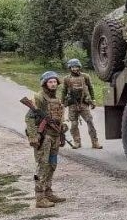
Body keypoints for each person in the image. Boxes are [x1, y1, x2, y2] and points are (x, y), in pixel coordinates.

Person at [24, 70, 68, 208]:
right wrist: (33, 136)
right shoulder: (39, 98)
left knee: (52, 165)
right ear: (45, 83)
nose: (53, 84)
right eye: (50, 82)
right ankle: (39, 198)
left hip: (55, 136)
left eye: (55, 82)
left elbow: (60, 117)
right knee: (42, 166)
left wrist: (63, 128)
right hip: (44, 138)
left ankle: (48, 192)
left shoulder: (57, 99)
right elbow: (29, 118)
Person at [62, 58, 101, 149]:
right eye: (72, 67)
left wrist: (93, 100)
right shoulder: (67, 79)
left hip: (84, 103)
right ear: (70, 68)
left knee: (90, 122)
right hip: (72, 104)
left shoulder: (85, 76)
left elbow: (90, 88)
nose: (75, 69)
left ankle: (95, 142)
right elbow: (64, 91)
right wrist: (62, 102)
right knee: (74, 124)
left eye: (76, 67)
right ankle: (77, 142)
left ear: (79, 67)